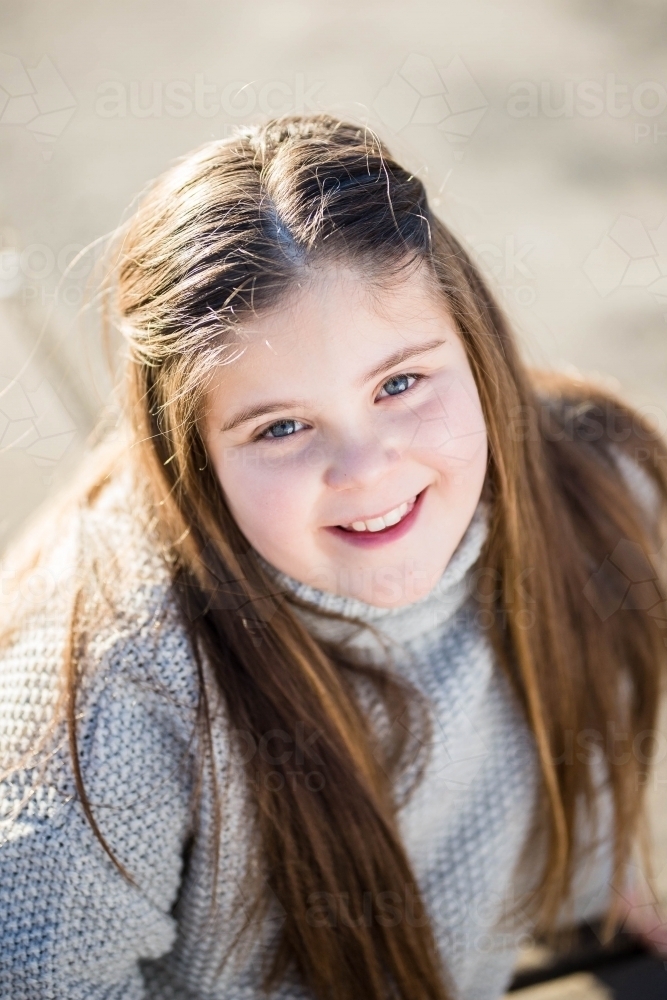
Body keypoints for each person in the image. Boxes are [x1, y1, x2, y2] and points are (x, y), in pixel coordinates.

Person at [1, 114, 666, 1000]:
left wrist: (589, 862)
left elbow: (571, 739)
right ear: (192, 454)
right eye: (280, 427)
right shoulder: (114, 700)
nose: (365, 470)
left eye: (399, 383)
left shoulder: (601, 484)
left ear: (476, 351)